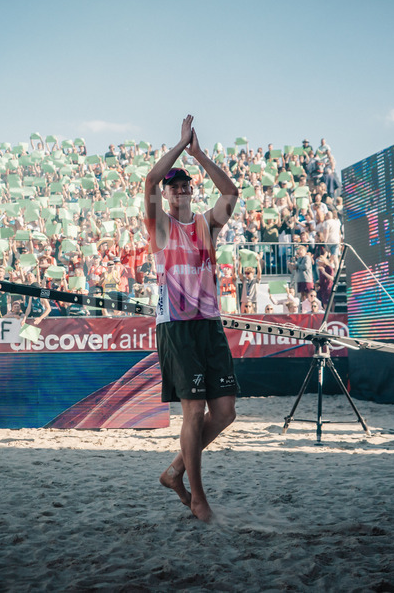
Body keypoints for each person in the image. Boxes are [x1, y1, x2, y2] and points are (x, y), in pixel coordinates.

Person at [144, 114, 240, 522]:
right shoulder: (161, 226)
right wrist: (180, 145)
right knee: (194, 412)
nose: (180, 189)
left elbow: (231, 192)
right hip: (177, 326)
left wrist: (198, 153)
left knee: (226, 412)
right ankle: (199, 498)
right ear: (168, 195)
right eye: (175, 186)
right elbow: (149, 181)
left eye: (186, 185)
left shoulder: (206, 225)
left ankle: (175, 471)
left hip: (209, 322)